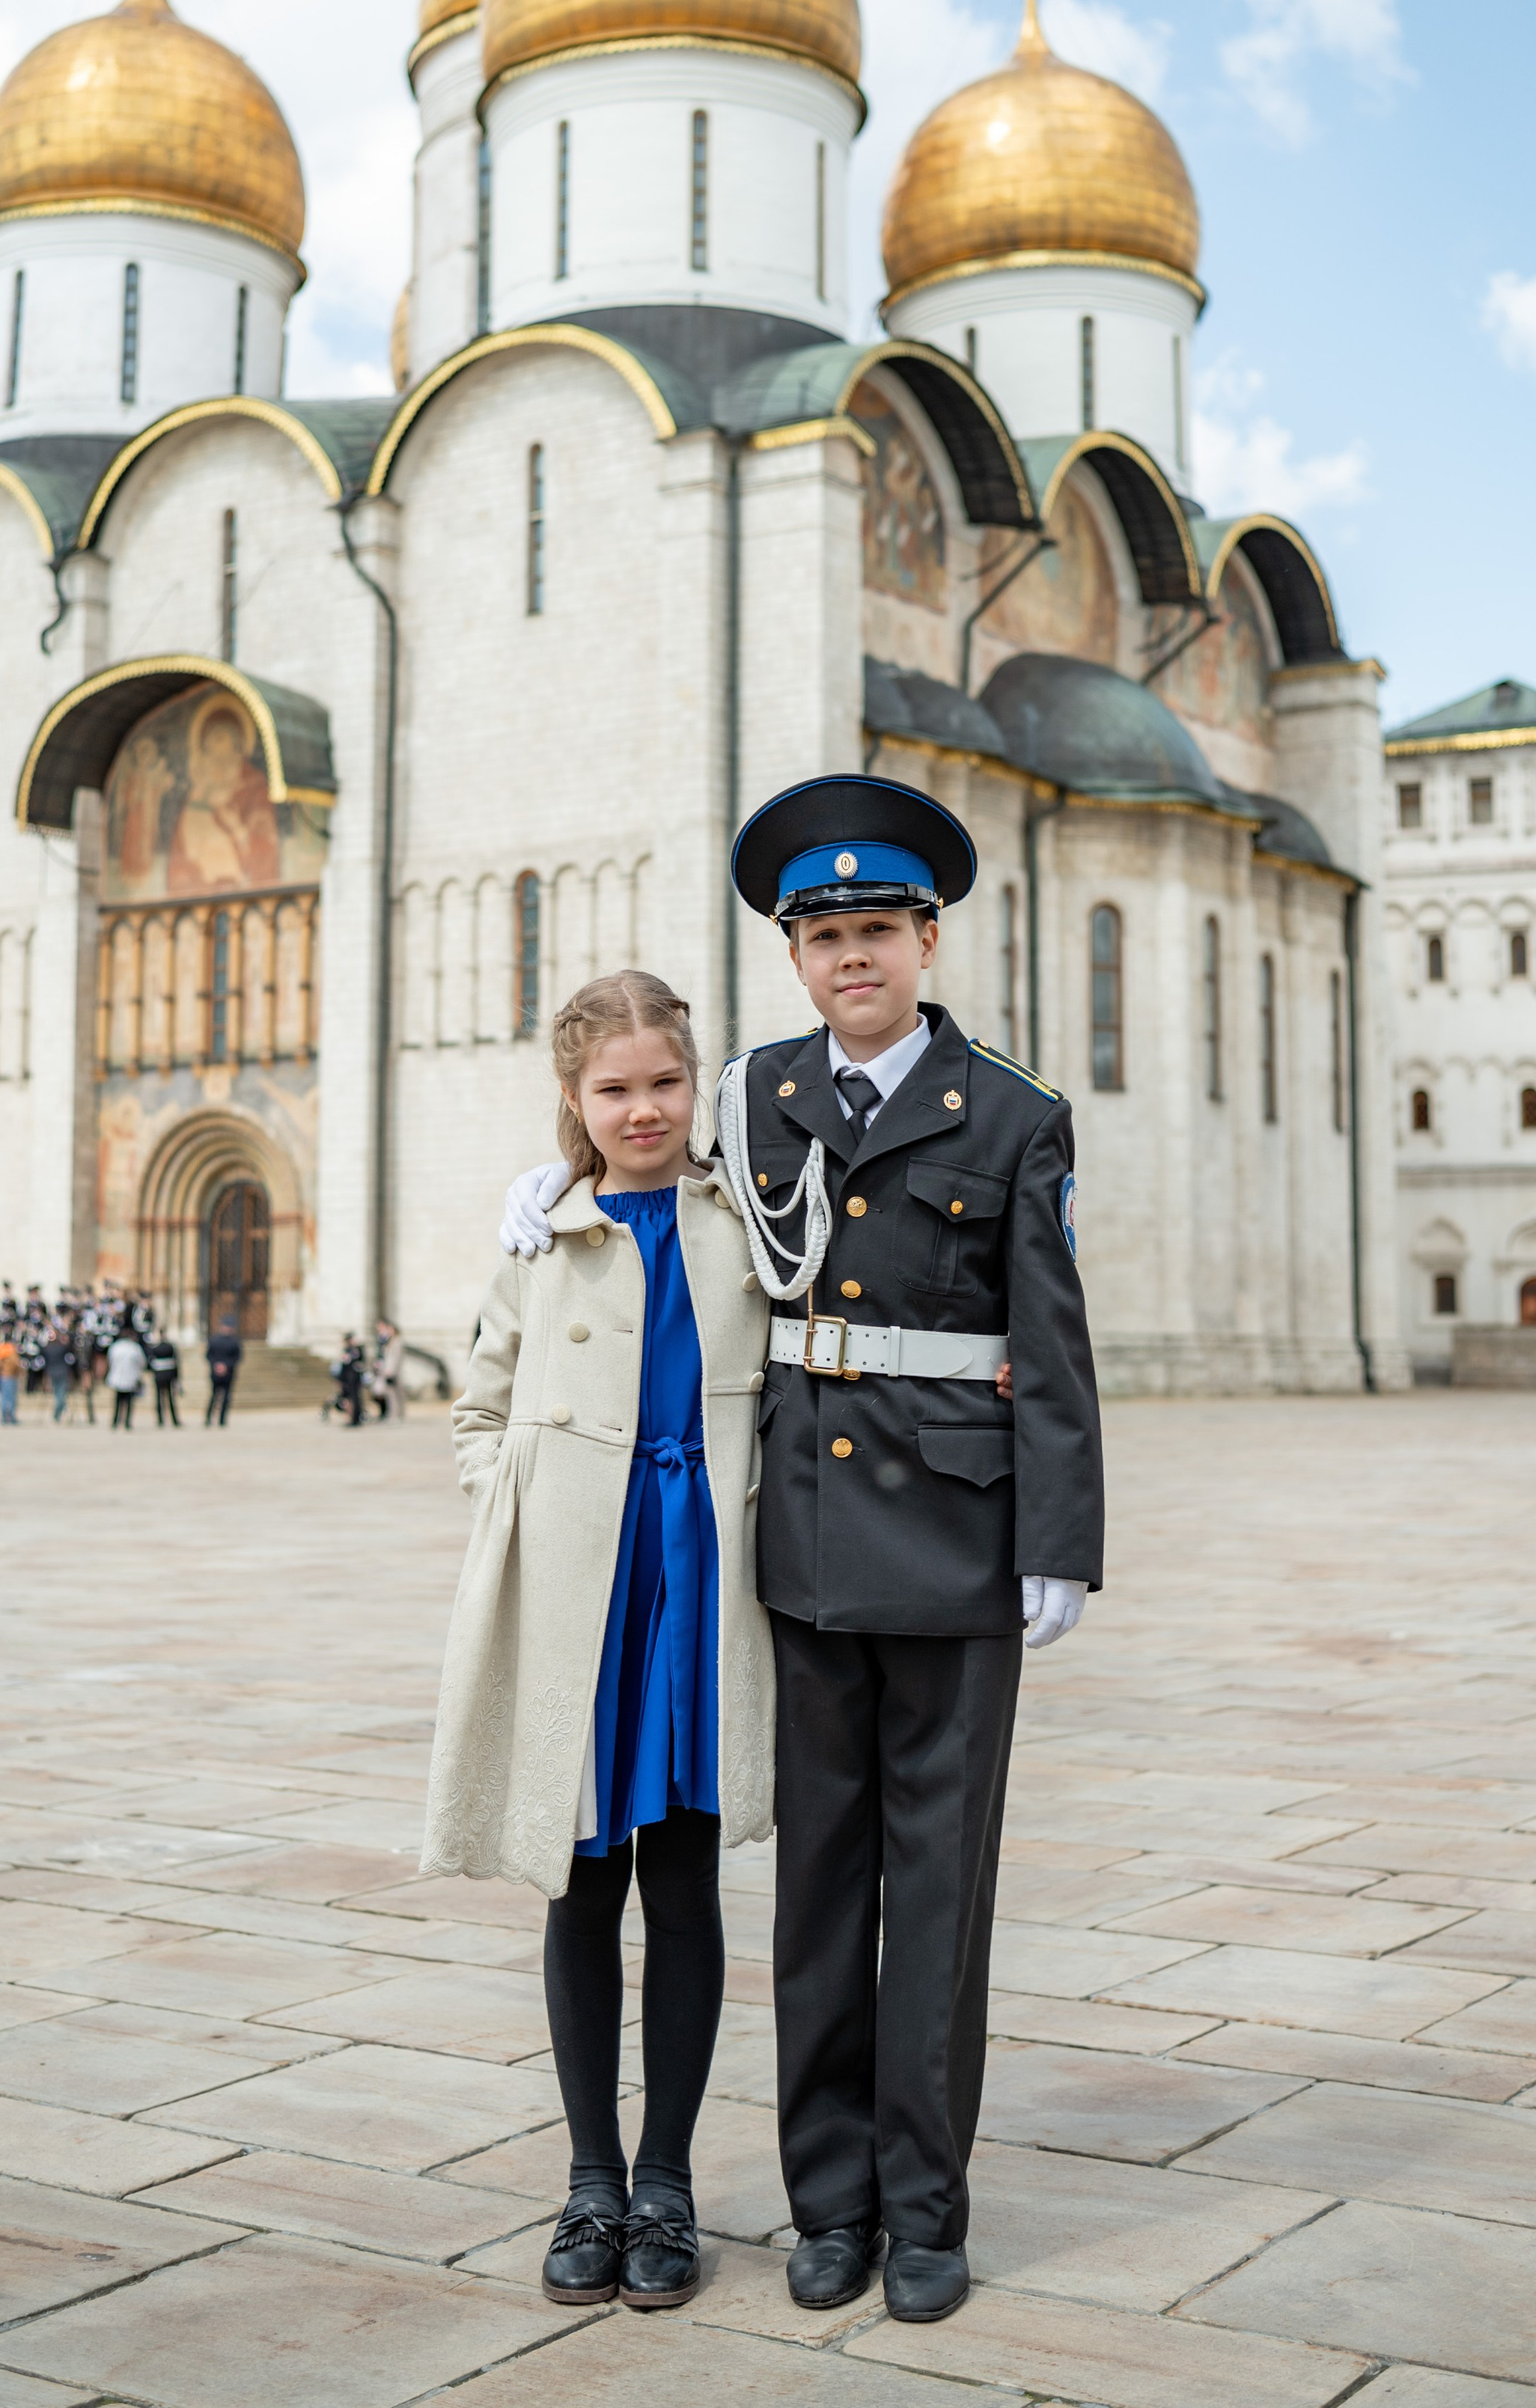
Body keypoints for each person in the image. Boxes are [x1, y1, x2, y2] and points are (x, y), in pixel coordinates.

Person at [503, 775, 1106, 2328]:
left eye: (877, 932)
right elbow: (643, 1165)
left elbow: (1049, 1340)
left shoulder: (1014, 1113)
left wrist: (1057, 1536)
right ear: (794, 957)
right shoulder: (755, 1092)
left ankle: (923, 2210)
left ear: (925, 940)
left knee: (939, 1889)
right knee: (819, 1892)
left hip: (958, 1539)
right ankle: (824, 2204)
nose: (852, 958)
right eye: (824, 935)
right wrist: (545, 1189)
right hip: (807, 1543)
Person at [424, 970, 772, 2314]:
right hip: (583, 1584)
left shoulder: (746, 1224)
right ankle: (589, 2177)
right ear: (572, 1098)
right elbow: (479, 1408)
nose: (643, 1108)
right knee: (578, 1885)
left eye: (665, 1082)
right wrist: (523, 1506)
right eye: (614, 1087)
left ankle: (669, 2182)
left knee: (683, 1881)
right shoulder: (543, 1237)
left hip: (697, 1582)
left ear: (700, 1086)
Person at [204, 1314, 241, 1426]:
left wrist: (223, 1366)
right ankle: (209, 1418)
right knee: (214, 1396)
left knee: (225, 1397)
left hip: (227, 1373)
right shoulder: (215, 1340)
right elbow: (209, 1355)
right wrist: (219, 1365)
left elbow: (237, 1356)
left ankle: (221, 1419)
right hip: (220, 1372)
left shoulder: (234, 1342)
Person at [107, 1328, 145, 1429]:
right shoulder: (135, 1348)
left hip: (118, 1376)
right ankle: (127, 1422)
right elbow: (142, 1362)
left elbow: (110, 1360)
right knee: (129, 1402)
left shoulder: (115, 1347)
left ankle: (115, 1421)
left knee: (118, 1401)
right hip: (130, 1377)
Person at [147, 1328, 182, 1426]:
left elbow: (150, 1362)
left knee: (159, 1398)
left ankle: (160, 1420)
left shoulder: (155, 1348)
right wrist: (177, 1377)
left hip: (159, 1374)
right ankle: (174, 1420)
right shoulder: (170, 1347)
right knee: (170, 1398)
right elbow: (175, 1362)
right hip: (169, 1374)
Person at [40, 1324, 75, 1423]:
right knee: (60, 1394)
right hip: (62, 1372)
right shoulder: (62, 1347)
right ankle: (58, 1413)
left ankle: (59, 1412)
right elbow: (71, 1355)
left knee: (58, 1393)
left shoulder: (47, 1348)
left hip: (54, 1372)